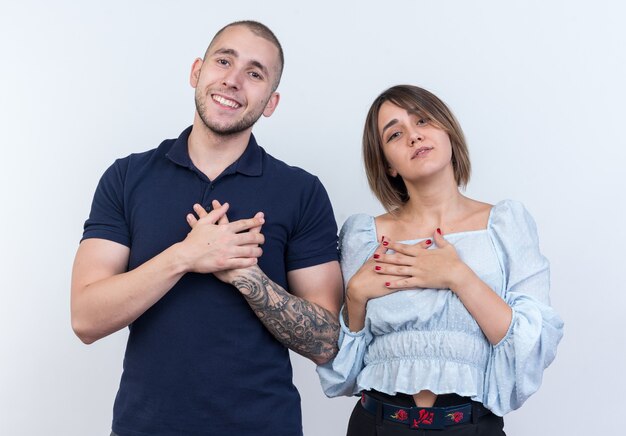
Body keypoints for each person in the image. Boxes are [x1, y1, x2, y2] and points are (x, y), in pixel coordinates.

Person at [71, 20, 343, 436]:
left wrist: (248, 277)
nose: (233, 81)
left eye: (255, 73)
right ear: (197, 72)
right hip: (146, 426)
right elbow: (86, 319)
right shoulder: (127, 177)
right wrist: (186, 255)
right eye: (224, 61)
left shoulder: (301, 191)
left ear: (271, 102)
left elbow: (326, 342)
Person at [317, 85, 563, 435]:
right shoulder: (364, 236)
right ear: (387, 164)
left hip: (472, 425)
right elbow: (343, 376)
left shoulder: (505, 225)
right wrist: (355, 296)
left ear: (447, 131)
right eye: (396, 134)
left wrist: (458, 276)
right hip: (376, 423)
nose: (414, 136)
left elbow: (532, 346)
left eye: (423, 120)